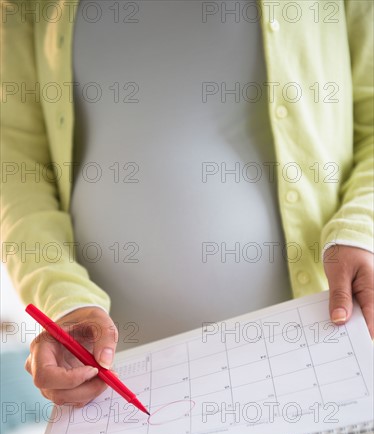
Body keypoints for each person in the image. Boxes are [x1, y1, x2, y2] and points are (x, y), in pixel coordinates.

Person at [1, 0, 373, 409]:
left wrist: (362, 229)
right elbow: (16, 164)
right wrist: (62, 297)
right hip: (114, 381)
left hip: (308, 348)